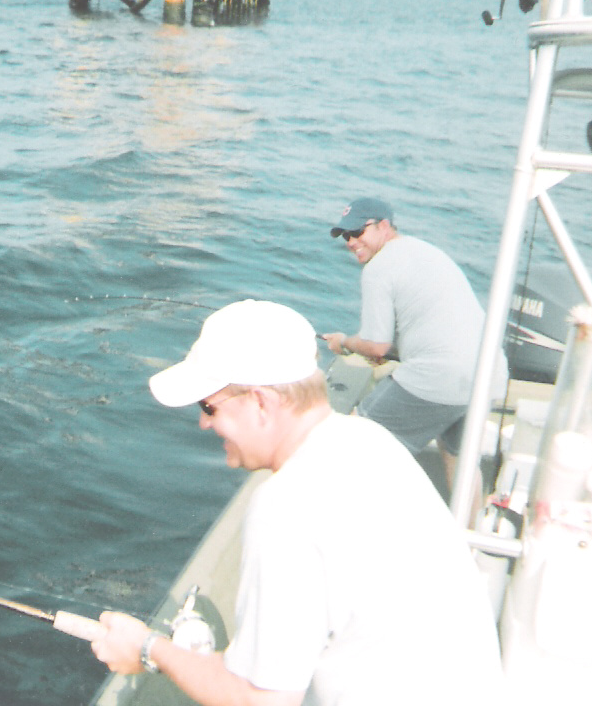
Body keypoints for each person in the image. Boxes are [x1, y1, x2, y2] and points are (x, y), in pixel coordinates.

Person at [89, 299, 503, 705]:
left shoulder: (285, 505)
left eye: (208, 406)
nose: (203, 422)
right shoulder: (369, 439)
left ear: (261, 403)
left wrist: (147, 650)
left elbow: (262, 700)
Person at [320, 197, 508, 486]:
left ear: (384, 226)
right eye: (345, 235)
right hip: (488, 376)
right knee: (458, 459)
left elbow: (375, 346)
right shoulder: (425, 251)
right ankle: (466, 527)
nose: (350, 241)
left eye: (358, 232)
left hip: (439, 377)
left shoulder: (378, 267)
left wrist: (344, 342)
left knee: (358, 439)